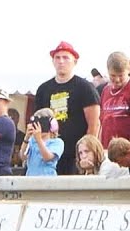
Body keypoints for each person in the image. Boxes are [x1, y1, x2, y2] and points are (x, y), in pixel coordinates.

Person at [32, 41, 101, 175]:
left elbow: (94, 124)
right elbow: (37, 123)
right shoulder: (43, 89)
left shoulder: (85, 87)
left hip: (75, 155)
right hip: (50, 154)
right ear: (53, 61)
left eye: (65, 58)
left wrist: (87, 154)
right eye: (57, 58)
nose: (61, 61)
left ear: (74, 61)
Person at [19, 108, 64, 176]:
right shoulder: (32, 141)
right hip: (31, 179)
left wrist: (39, 139)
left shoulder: (57, 142)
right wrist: (27, 137)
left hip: (47, 179)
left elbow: (47, 157)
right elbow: (23, 157)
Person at [99, 52, 130, 147]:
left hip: (126, 149)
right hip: (107, 147)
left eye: (121, 75)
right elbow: (101, 121)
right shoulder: (105, 90)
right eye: (113, 75)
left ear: (128, 71)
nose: (117, 79)